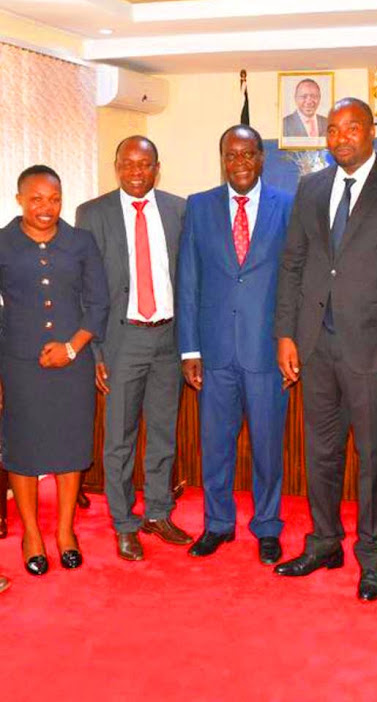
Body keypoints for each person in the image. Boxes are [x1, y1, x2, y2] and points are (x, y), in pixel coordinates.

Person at [274, 98, 377, 600]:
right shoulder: (311, 187)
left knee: (373, 460)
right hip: (315, 345)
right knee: (320, 454)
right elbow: (294, 264)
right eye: (333, 130)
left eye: (352, 128)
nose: (341, 137)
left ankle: (372, 558)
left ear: (371, 133)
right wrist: (285, 333)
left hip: (376, 347)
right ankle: (325, 542)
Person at [179, 125, 293, 564]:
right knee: (216, 445)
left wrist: (291, 342)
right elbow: (189, 281)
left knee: (267, 446)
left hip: (267, 351)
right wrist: (189, 349)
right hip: (214, 351)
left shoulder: (287, 205)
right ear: (222, 159)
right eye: (231, 155)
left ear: (261, 158)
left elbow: (295, 279)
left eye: (248, 154)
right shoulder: (200, 206)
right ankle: (217, 524)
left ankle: (267, 527)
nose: (239, 163)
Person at [76, 136, 192, 562]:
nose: (136, 172)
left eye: (145, 165)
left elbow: (189, 279)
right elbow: (84, 289)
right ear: (117, 166)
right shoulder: (92, 214)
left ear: (157, 168)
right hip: (121, 340)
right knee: (119, 441)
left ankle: (158, 513)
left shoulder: (179, 210)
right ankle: (124, 524)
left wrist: (190, 345)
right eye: (128, 164)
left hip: (169, 337)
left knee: (163, 434)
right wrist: (95, 351)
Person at [0, 165, 109, 575]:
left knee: (70, 446)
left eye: (54, 199)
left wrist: (71, 347)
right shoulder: (3, 243)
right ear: (19, 200)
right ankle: (31, 534)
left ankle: (65, 532)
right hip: (18, 363)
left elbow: (98, 303)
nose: (46, 207)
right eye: (37, 198)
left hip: (72, 362)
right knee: (23, 449)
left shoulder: (80, 242)